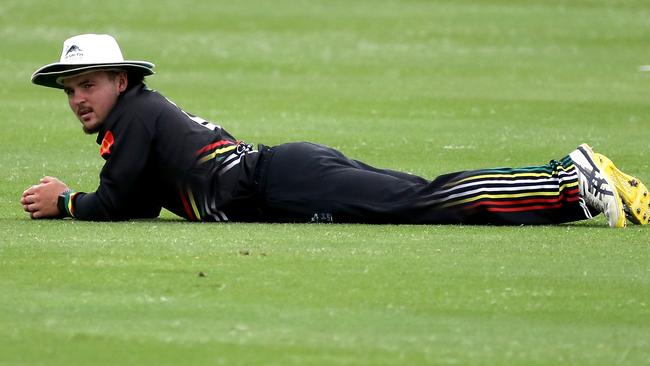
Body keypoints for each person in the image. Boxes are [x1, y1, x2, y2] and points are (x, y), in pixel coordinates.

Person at [21, 34, 649, 228]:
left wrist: (65, 202)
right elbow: (135, 199)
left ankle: (571, 179)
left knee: (426, 201)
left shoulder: (131, 115)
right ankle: (594, 185)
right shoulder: (137, 113)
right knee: (424, 198)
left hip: (281, 182)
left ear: (121, 83)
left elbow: (118, 201)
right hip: (287, 174)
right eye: (72, 89)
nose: (78, 98)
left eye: (90, 84)